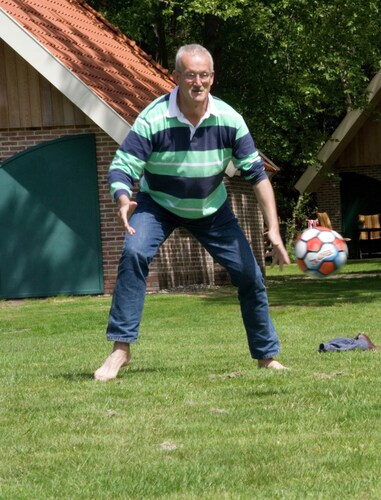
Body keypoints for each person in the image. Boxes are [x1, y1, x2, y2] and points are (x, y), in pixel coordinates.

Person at [94, 44, 290, 381]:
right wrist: (123, 198)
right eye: (190, 75)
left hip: (212, 209)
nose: (197, 82)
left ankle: (266, 356)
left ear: (212, 78)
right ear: (177, 77)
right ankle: (120, 351)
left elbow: (257, 176)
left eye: (203, 75)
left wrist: (273, 228)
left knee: (250, 275)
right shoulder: (154, 118)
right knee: (134, 253)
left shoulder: (230, 120)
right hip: (157, 206)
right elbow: (122, 167)